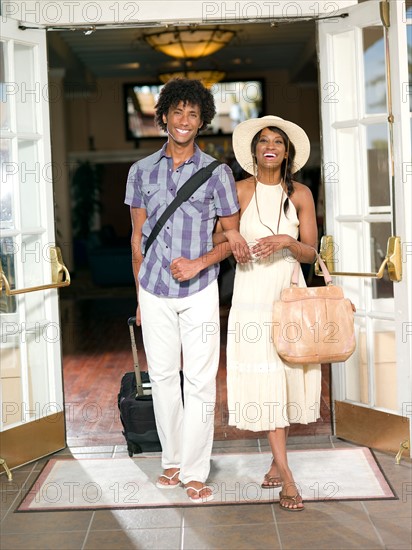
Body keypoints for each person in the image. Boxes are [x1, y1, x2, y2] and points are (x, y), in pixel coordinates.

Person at [124, 78, 247, 503]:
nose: (184, 120)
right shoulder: (140, 172)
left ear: (202, 122)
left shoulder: (218, 173)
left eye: (193, 114)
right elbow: (137, 237)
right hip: (154, 291)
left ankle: (195, 469)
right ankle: (171, 461)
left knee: (199, 381)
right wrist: (140, 294)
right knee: (161, 378)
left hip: (199, 291)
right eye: (177, 111)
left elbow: (233, 238)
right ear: (163, 117)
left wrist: (198, 262)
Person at [215, 115, 321, 511]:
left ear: (287, 152)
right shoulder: (239, 191)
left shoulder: (302, 196)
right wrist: (232, 233)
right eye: (263, 140)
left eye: (278, 140)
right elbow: (215, 238)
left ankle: (276, 462)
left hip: (288, 294)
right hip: (251, 297)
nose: (270, 145)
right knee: (269, 377)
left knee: (286, 376)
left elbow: (312, 252)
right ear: (254, 151)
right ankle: (287, 478)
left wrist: (287, 242)